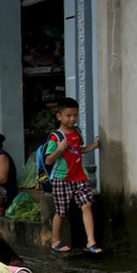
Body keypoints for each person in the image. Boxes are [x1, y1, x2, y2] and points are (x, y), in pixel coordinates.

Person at [45, 97, 102, 254]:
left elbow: (79, 149)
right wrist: (59, 149)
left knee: (87, 205)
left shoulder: (77, 132)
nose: (72, 119)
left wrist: (94, 146)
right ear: (59, 116)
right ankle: (55, 240)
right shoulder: (55, 137)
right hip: (62, 179)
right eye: (68, 115)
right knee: (61, 212)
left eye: (75, 115)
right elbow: (49, 160)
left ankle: (91, 242)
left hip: (79, 176)